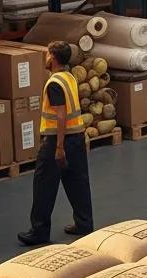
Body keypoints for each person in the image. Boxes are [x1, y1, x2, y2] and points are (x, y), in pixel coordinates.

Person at [17, 40, 94, 246]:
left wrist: (59, 148)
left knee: (44, 185)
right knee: (78, 182)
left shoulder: (54, 84)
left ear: (53, 57)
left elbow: (60, 116)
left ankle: (39, 231)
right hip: (76, 136)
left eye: (47, 53)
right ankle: (84, 224)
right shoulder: (69, 77)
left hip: (57, 141)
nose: (45, 57)